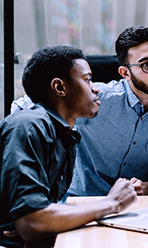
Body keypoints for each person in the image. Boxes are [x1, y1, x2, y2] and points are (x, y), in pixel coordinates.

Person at [0, 46, 137, 247]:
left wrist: (44, 220)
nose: (96, 88)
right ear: (60, 87)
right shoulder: (27, 125)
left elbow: (40, 217)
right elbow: (33, 221)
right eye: (88, 79)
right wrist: (112, 203)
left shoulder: (65, 135)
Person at [66, 25, 148, 196]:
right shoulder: (96, 99)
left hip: (134, 207)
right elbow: (29, 106)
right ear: (125, 73)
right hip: (85, 201)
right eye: (147, 65)